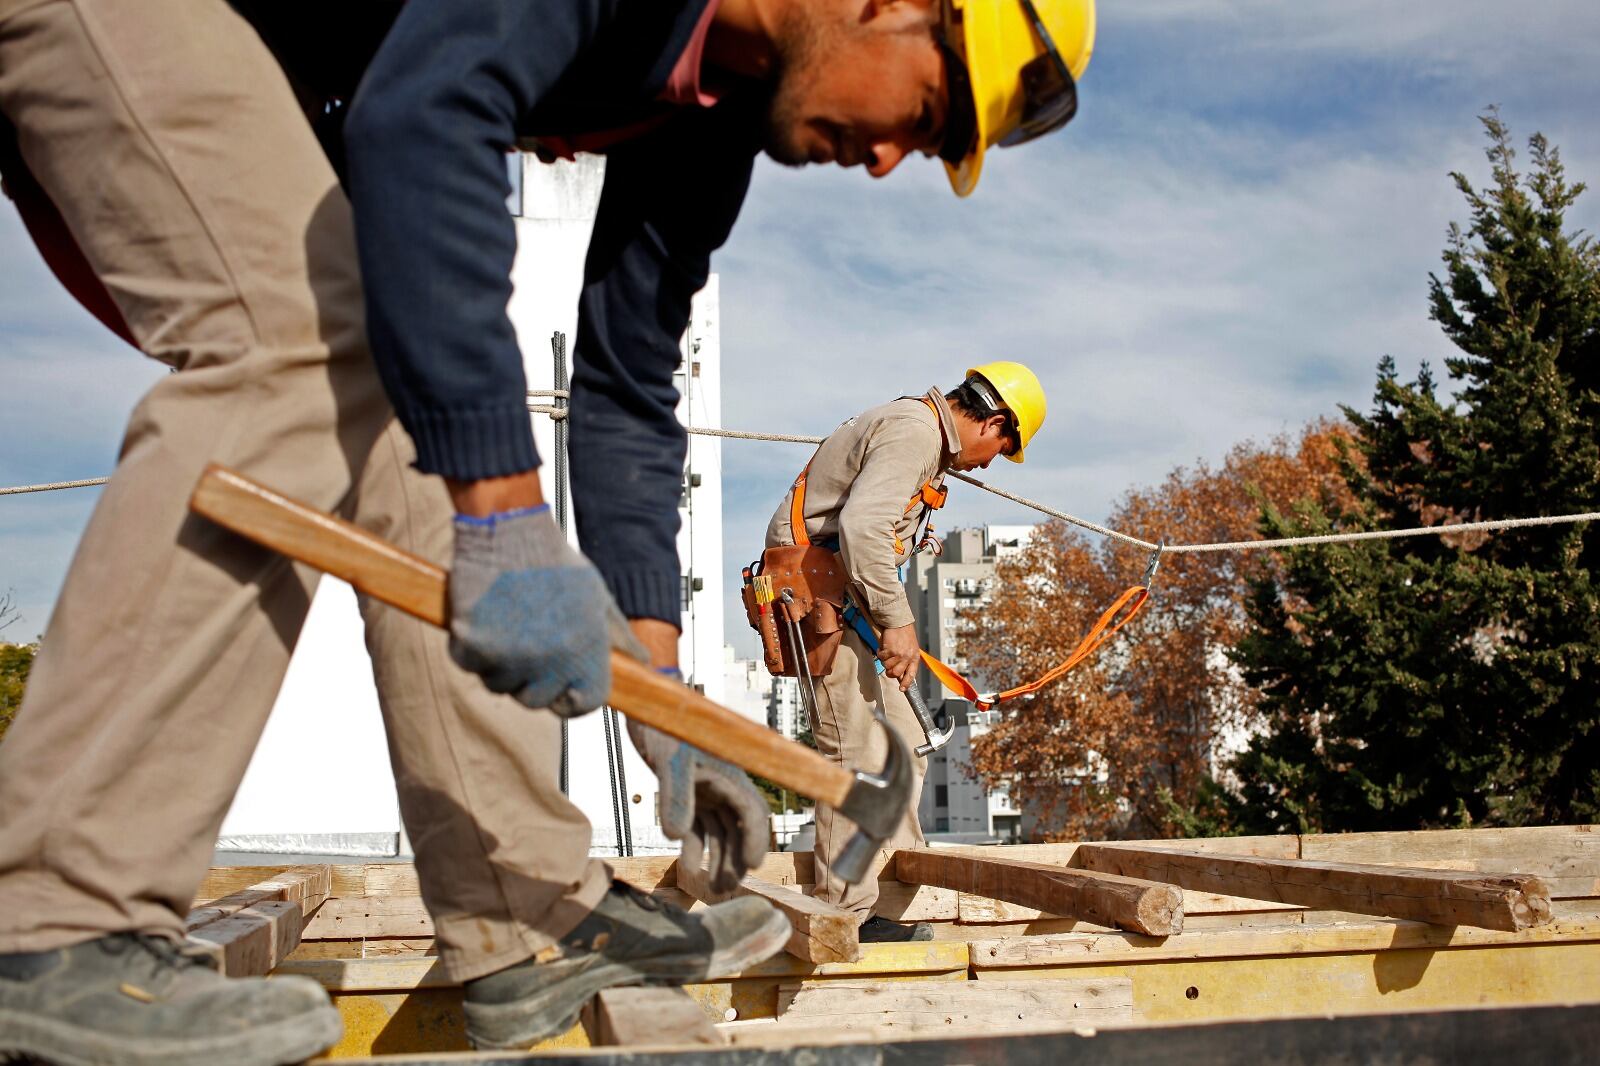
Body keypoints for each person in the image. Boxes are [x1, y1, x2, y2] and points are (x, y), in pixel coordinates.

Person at [0, 0, 1094, 1059]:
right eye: (927, 115)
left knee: (412, 408)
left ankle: (520, 914)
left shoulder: (716, 110)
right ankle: (57, 918)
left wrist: (662, 704)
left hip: (289, 66)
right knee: (304, 342)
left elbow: (628, 389)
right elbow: (425, 109)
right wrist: (506, 513)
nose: (890, 161)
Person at [763, 364, 1048, 941]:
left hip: (848, 593)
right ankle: (843, 915)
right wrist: (898, 622)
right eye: (1001, 450)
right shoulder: (914, 432)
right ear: (994, 422)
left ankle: (888, 900)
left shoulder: (923, 440)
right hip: (820, 597)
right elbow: (863, 529)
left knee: (907, 737)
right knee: (855, 753)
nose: (989, 465)